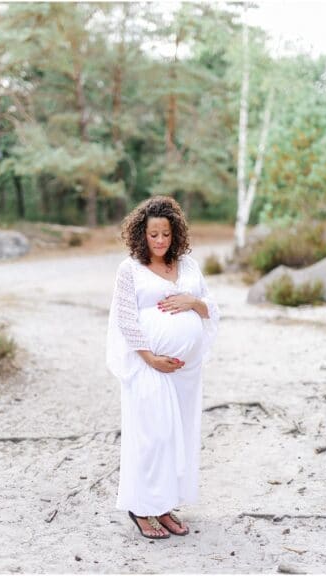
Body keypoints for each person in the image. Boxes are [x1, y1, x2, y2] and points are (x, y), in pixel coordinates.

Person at [107, 196, 220, 539]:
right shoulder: (130, 269)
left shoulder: (188, 267)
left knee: (177, 437)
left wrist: (192, 302)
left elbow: (211, 308)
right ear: (141, 235)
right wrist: (150, 357)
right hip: (149, 366)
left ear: (176, 234)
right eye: (153, 235)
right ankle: (141, 509)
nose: (160, 241)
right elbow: (125, 318)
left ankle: (164, 505)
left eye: (166, 235)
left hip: (185, 372)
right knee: (152, 435)